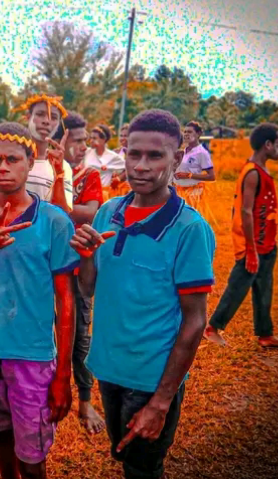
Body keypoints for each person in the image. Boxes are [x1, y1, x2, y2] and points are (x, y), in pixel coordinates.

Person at [72, 109, 215, 479]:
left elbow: (194, 321)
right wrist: (86, 256)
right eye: (134, 154)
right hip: (108, 367)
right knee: (126, 458)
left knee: (143, 468)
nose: (141, 166)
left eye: (155, 156)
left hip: (151, 379)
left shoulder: (189, 229)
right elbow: (87, 288)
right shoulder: (108, 212)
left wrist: (162, 401)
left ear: (177, 159)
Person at [0, 122, 78, 479]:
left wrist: (63, 373)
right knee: (2, 438)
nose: (3, 167)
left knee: (31, 460)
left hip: (32, 358)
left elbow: (66, 300)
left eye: (13, 159)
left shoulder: (53, 221)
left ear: (30, 162)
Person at [205, 123, 278, 351]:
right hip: (252, 246)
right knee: (238, 286)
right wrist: (251, 250)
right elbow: (245, 211)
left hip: (266, 244)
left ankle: (265, 334)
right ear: (268, 145)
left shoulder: (262, 170)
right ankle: (212, 328)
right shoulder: (253, 173)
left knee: (264, 288)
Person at [54, 112, 105, 435]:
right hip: (43, 266)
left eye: (85, 140)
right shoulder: (39, 170)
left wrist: (58, 202)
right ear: (59, 142)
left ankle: (85, 400)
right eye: (77, 140)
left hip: (77, 265)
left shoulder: (89, 175)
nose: (84, 146)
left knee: (80, 333)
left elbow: (89, 212)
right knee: (46, 331)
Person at [17, 93, 74, 213]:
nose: (46, 121)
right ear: (28, 117)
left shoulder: (63, 167)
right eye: (40, 114)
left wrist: (58, 174)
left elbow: (63, 214)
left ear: (59, 125)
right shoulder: (10, 158)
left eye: (53, 117)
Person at [174, 121, 215, 209]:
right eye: (185, 132)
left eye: (190, 132)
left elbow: (211, 176)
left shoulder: (202, 153)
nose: (186, 134)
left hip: (193, 194)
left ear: (198, 134)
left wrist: (188, 175)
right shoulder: (183, 151)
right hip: (180, 193)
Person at [85, 124, 125, 200]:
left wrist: (119, 178)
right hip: (86, 192)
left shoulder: (112, 156)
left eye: (94, 138)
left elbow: (128, 167)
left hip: (103, 195)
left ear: (103, 139)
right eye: (91, 138)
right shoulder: (86, 152)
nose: (91, 141)